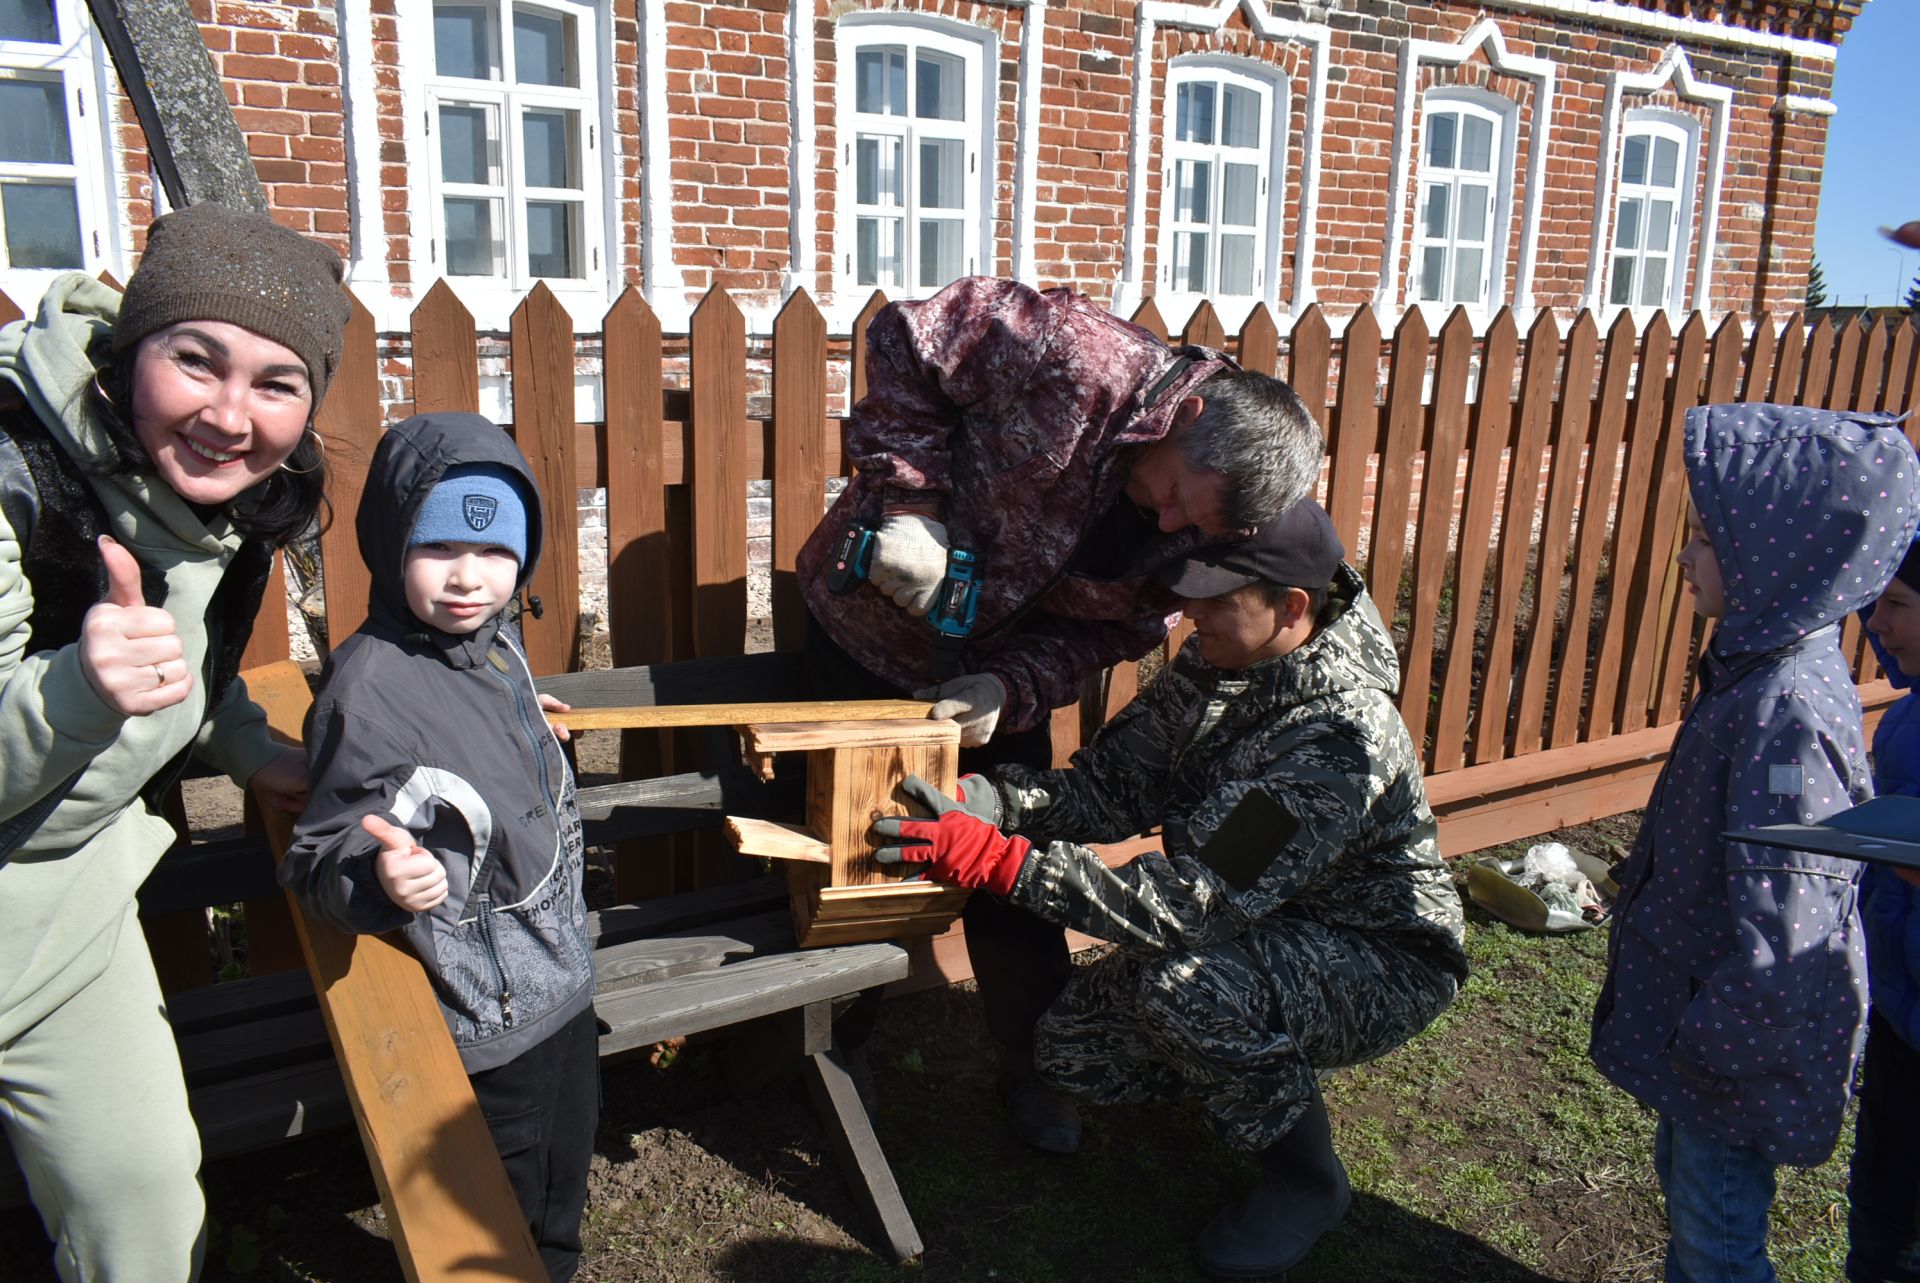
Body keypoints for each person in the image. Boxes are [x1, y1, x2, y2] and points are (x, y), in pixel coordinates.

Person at [869, 501, 1467, 1279]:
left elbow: (1189, 902)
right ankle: (1246, 1061)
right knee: (1071, 1052)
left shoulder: (1336, 739)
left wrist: (1000, 863)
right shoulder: (1225, 661)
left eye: (1217, 599)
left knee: (1188, 987)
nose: (1191, 617)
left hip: (1376, 955)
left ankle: (1307, 1181)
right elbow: (1117, 787)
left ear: (1291, 608)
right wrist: (1001, 802)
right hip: (1254, 921)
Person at [796, 275, 1325, 1153]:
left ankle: (1037, 1062)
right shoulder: (1068, 351)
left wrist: (1013, 688)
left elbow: (1116, 629)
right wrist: (911, 503)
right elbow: (904, 340)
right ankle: (835, 1048)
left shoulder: (1206, 524)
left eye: (1189, 524)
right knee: (851, 845)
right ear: (1187, 417)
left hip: (990, 684)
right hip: (860, 626)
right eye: (1171, 495)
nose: (1165, 520)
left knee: (1013, 865)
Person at [0, 201, 347, 1280]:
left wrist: (256, 755)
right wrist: (75, 691)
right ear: (126, 352)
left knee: (145, 1205)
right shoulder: (19, 481)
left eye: (276, 383)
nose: (231, 416)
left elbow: (195, 683)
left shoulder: (231, 511)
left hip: (62, 924)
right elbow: (98, 690)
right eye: (196, 360)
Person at [1589, 403, 1920, 1283]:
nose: (1685, 557)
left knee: (1721, 1238)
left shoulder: (1788, 713)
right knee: (1693, 1196)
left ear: (1782, 555)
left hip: (1735, 1044)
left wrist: (1725, 1052)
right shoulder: (1761, 668)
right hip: (1710, 1027)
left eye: (1704, 538)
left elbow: (1792, 909)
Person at [279, 412, 596, 1282]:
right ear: (390, 544)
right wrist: (378, 872)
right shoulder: (369, 690)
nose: (469, 578)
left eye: (497, 555)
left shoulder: (495, 646)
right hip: (488, 1012)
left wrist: (523, 718)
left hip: (564, 979)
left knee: (566, 1179)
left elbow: (480, 721)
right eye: (439, 547)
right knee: (501, 1205)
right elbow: (316, 854)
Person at [1847, 538, 1920, 1283]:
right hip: (1901, 1018)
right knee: (1878, 1208)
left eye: (1896, 604)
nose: (1874, 621)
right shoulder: (1907, 715)